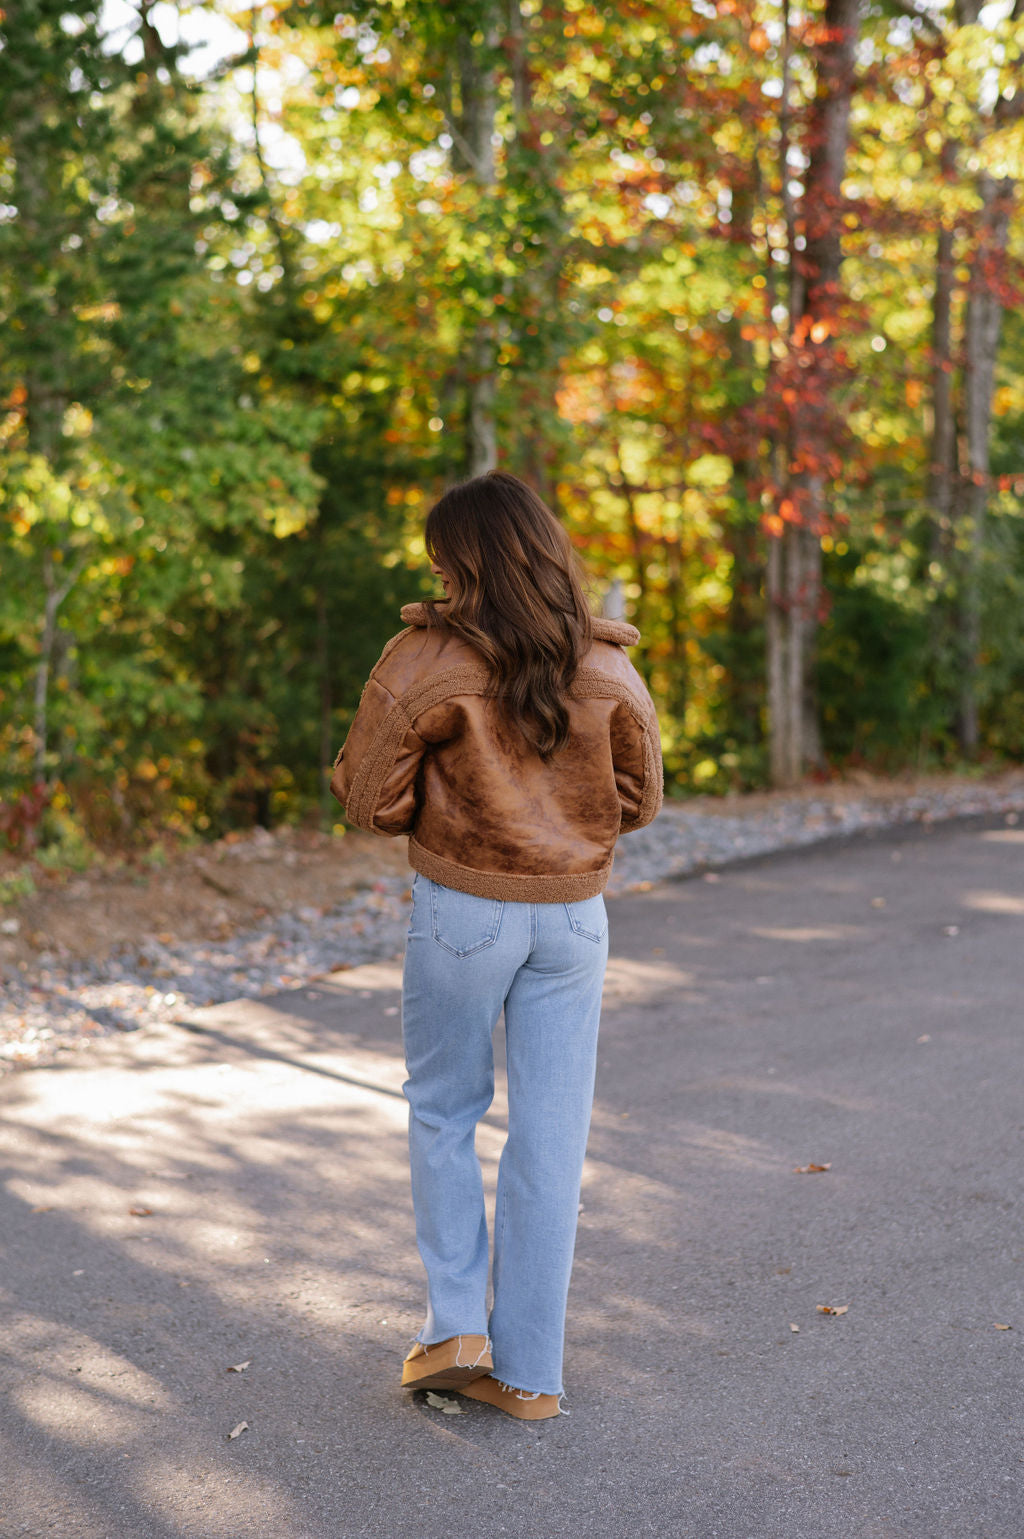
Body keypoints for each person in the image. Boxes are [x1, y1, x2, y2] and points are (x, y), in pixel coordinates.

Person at [330, 470, 663, 1420]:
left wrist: (441, 806)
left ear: (463, 560)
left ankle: (454, 1328)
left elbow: (365, 791)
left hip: (463, 909)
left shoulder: (424, 656)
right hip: (574, 920)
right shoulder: (607, 664)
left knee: (444, 1109)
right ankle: (529, 1375)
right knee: (551, 1137)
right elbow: (637, 799)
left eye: (441, 558)